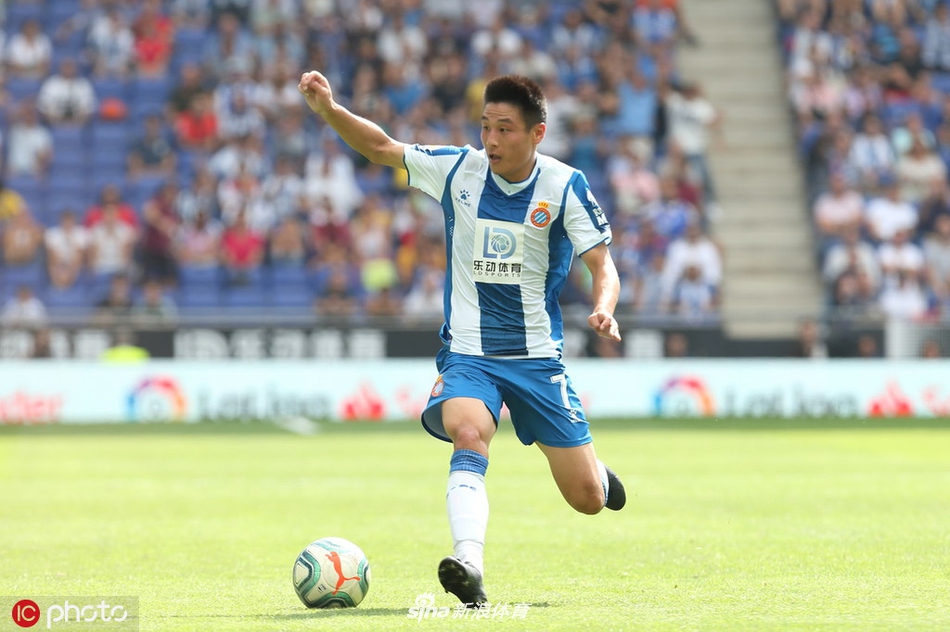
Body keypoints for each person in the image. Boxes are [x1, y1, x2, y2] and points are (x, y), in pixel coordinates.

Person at [298, 71, 627, 607]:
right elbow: (382, 148)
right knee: (469, 432)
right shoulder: (459, 169)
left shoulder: (565, 186)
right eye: (485, 126)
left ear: (537, 133)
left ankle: (598, 475)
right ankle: (468, 563)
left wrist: (603, 307)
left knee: (587, 499)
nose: (491, 140)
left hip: (536, 360)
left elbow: (602, 265)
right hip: (469, 354)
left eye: (505, 129)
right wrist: (331, 110)